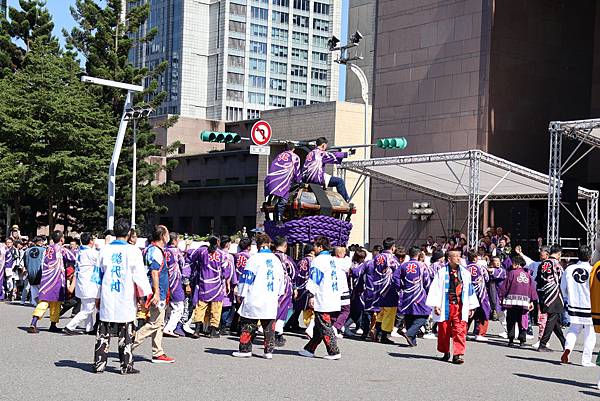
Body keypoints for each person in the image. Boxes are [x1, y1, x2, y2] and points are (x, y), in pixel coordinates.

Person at [94, 218, 152, 374]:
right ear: (128, 233)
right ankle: (126, 365)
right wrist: (143, 297)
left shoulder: (104, 250)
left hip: (107, 294)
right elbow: (139, 276)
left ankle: (99, 363)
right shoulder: (133, 251)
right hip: (125, 296)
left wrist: (97, 296)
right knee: (126, 331)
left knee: (103, 330)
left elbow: (97, 275)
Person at [233, 233, 286, 359]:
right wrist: (279, 294)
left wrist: (241, 293)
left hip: (255, 296)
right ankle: (268, 351)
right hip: (271, 297)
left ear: (257, 245)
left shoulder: (254, 259)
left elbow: (246, 278)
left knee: (248, 323)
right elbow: (281, 279)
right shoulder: (276, 260)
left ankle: (245, 350)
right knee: (269, 325)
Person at [426, 249, 479, 364]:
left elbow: (470, 290)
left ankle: (458, 354)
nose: (459, 258)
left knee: (460, 330)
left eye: (460, 256)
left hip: (460, 306)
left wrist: (471, 306)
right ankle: (445, 352)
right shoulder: (441, 272)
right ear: (449, 259)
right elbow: (435, 289)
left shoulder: (465, 273)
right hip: (445, 305)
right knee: (444, 330)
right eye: (456, 257)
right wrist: (436, 305)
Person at [132, 225, 175, 364]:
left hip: (152, 290)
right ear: (163, 236)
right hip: (157, 291)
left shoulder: (148, 249)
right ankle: (130, 343)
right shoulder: (156, 251)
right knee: (155, 323)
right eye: (167, 233)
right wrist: (157, 292)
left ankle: (158, 352)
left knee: (159, 322)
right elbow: (154, 272)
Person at [298, 236, 342, 360]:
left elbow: (314, 279)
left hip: (323, 297)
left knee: (324, 325)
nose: (314, 248)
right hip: (333, 296)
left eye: (315, 246)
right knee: (319, 326)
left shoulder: (318, 260)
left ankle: (334, 351)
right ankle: (309, 349)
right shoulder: (333, 260)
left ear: (320, 247)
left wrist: (310, 294)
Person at [28, 230, 76, 334]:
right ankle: (53, 324)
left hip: (46, 279)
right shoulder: (62, 250)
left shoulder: (47, 249)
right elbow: (73, 258)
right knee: (56, 302)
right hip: (57, 279)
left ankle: (34, 322)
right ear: (62, 239)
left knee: (44, 301)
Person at [560, 245, 595, 366]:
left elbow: (562, 287)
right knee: (590, 333)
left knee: (573, 330)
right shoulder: (592, 270)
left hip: (574, 304)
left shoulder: (569, 269)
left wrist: (567, 297)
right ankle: (586, 359)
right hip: (590, 305)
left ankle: (567, 349)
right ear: (590, 256)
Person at [189, 236, 230, 338]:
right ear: (218, 242)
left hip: (204, 283)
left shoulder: (202, 252)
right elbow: (226, 271)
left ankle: (197, 330)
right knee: (216, 308)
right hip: (217, 285)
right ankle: (213, 331)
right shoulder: (222, 254)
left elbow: (191, 256)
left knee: (201, 307)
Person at [393, 246, 431, 347]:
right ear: (418, 255)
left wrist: (400, 286)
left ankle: (412, 340)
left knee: (409, 315)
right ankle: (409, 333)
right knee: (425, 314)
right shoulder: (422, 266)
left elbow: (395, 277)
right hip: (419, 294)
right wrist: (428, 292)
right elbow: (427, 281)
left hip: (406, 293)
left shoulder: (403, 265)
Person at [64, 233, 100, 335]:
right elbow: (101, 258)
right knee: (88, 309)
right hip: (88, 284)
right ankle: (70, 326)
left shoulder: (80, 251)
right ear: (91, 241)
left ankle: (89, 328)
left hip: (82, 283)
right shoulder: (90, 253)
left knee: (86, 307)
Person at [499, 255, 537, 347]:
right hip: (524, 301)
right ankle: (522, 341)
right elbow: (532, 288)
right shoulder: (528, 274)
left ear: (517, 264)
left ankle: (511, 339)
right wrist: (532, 300)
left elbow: (505, 286)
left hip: (512, 300)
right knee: (523, 320)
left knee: (511, 319)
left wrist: (501, 296)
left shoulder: (512, 273)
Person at [536, 244, 566, 352]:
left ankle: (564, 342)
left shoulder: (543, 264)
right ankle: (543, 344)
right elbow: (562, 280)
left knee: (554, 320)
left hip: (544, 293)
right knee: (552, 318)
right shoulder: (557, 265)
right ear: (559, 253)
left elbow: (538, 280)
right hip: (554, 294)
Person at [302, 137, 350, 202]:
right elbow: (334, 155)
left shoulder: (310, 153)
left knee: (326, 175)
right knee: (340, 181)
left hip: (307, 178)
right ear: (323, 145)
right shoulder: (321, 153)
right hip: (317, 177)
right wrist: (347, 154)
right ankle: (346, 200)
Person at [264, 143, 302, 223]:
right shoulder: (295, 157)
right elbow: (297, 172)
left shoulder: (279, 156)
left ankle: (267, 213)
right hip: (282, 180)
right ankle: (279, 220)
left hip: (270, 179)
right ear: (293, 149)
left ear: (285, 149)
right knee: (284, 199)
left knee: (270, 199)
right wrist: (299, 181)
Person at [373, 238, 400, 344]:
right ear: (393, 247)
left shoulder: (377, 257)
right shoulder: (392, 259)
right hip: (389, 288)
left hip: (378, 287)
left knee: (381, 311)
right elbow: (397, 272)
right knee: (390, 311)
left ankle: (377, 332)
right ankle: (384, 335)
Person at [272, 236, 296, 346]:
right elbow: (294, 273)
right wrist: (295, 287)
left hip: (270, 284)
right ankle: (278, 333)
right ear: (285, 246)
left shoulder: (270, 257)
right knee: (283, 309)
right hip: (284, 286)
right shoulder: (286, 259)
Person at [163, 232, 186, 338]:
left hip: (164, 280)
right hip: (175, 281)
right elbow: (183, 263)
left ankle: (163, 325)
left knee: (167, 306)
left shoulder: (163, 250)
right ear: (175, 241)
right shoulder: (177, 251)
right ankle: (169, 327)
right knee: (179, 307)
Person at [466, 251, 491, 342]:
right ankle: (480, 333)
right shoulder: (481, 267)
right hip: (480, 294)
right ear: (476, 258)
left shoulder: (465, 268)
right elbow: (487, 278)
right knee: (483, 312)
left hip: (469, 293)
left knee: (468, 313)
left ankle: (463, 332)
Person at [23, 236, 45, 306]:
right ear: (40, 242)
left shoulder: (27, 250)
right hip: (40, 271)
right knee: (42, 288)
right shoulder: (44, 250)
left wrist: (28, 268)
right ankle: (42, 302)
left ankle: (35, 302)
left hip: (31, 271)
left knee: (33, 288)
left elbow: (25, 262)